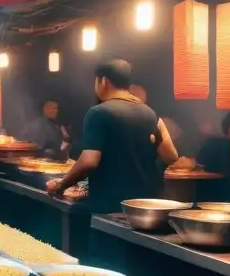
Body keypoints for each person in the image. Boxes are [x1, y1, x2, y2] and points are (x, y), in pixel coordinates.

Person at [47, 60, 183, 213]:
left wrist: (61, 185)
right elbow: (171, 155)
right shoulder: (151, 114)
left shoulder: (98, 113)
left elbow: (89, 162)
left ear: (103, 81)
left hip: (108, 205)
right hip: (142, 207)